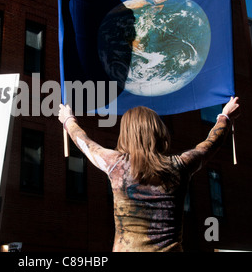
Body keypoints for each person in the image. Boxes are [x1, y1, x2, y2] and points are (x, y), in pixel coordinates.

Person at [58, 97, 240, 252]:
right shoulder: (180, 166)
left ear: (126, 134)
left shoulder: (116, 165)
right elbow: (208, 146)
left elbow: (86, 143)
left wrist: (68, 120)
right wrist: (225, 117)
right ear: (159, 131)